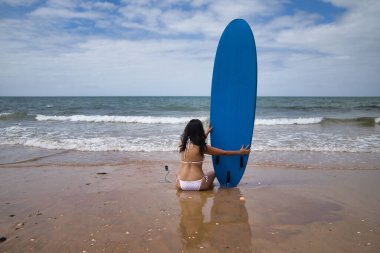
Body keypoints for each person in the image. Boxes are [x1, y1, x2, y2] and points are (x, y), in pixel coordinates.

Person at [176, 119, 250, 191]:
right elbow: (223, 153)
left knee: (178, 172)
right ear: (200, 131)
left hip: (181, 185)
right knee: (214, 172)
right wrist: (240, 152)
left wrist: (207, 132)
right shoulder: (202, 147)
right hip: (199, 185)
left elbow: (197, 141)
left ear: (188, 131)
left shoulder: (182, 145)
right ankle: (211, 186)